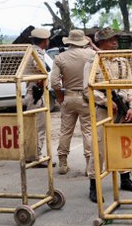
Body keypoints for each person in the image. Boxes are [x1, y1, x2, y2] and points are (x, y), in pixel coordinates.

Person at [92, 28, 132, 196]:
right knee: (99, 148)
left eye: (115, 39)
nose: (114, 42)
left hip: (122, 109)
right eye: (110, 39)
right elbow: (88, 89)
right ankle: (94, 185)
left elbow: (130, 85)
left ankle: (125, 179)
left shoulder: (122, 61)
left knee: (122, 146)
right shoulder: (93, 62)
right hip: (102, 112)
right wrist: (107, 101)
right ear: (100, 43)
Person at [50, 29, 96, 180]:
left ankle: (63, 163)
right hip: (87, 97)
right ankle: (89, 165)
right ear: (83, 41)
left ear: (69, 41)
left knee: (65, 131)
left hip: (68, 97)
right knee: (88, 131)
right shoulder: (91, 55)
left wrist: (60, 97)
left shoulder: (60, 57)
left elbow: (55, 82)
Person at [24, 28, 53, 167]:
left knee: (33, 127)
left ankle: (32, 154)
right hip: (36, 93)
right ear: (45, 40)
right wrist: (43, 78)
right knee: (39, 127)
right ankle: (36, 155)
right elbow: (39, 68)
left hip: (32, 92)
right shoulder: (37, 52)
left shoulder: (31, 50)